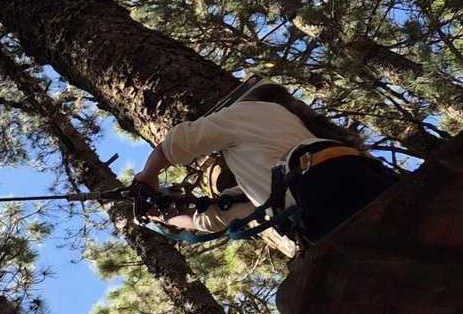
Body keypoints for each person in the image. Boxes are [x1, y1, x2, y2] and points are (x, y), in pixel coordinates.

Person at [126, 84, 397, 246]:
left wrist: (147, 176)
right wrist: (159, 215)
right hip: (364, 186)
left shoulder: (254, 111)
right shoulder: (294, 146)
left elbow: (180, 142)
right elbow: (219, 216)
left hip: (320, 205)